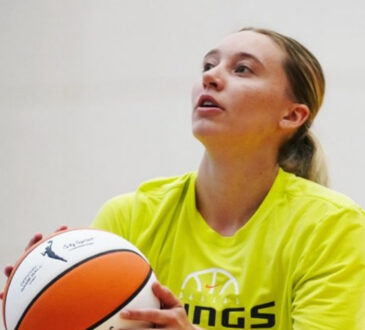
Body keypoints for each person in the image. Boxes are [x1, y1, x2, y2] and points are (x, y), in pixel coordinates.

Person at [3, 27, 365, 329]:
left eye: (242, 70)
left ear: (292, 115)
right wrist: (32, 299)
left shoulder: (332, 226)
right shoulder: (130, 217)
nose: (210, 76)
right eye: (208, 65)